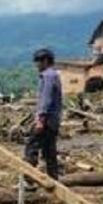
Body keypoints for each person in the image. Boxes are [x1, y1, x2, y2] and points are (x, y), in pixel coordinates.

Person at [25, 47, 63, 179]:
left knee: (31, 148)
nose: (36, 65)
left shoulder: (48, 76)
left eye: (38, 61)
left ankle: (28, 180)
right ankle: (54, 180)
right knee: (49, 152)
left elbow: (46, 98)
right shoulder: (54, 75)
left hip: (46, 120)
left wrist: (40, 119)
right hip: (53, 120)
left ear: (45, 61)